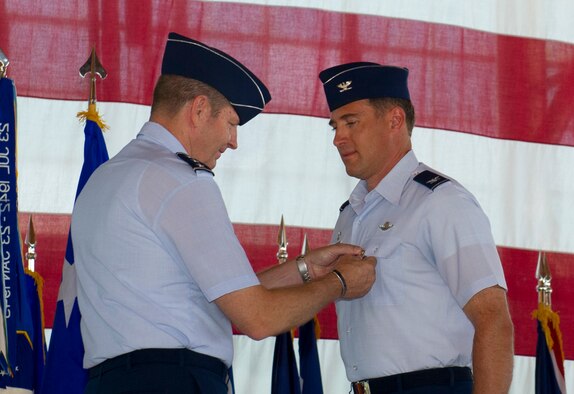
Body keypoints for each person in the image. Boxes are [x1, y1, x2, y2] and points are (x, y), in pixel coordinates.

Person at [72, 33, 377, 394]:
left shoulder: (106, 177)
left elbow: (208, 294)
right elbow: (258, 317)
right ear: (199, 109)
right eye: (231, 123)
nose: (233, 141)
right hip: (173, 380)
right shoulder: (181, 180)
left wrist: (306, 269)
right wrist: (338, 283)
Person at [318, 62, 514, 394]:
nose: (339, 138)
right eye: (334, 126)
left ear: (395, 120)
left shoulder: (441, 202)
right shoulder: (350, 215)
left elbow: (493, 319)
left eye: (351, 122)